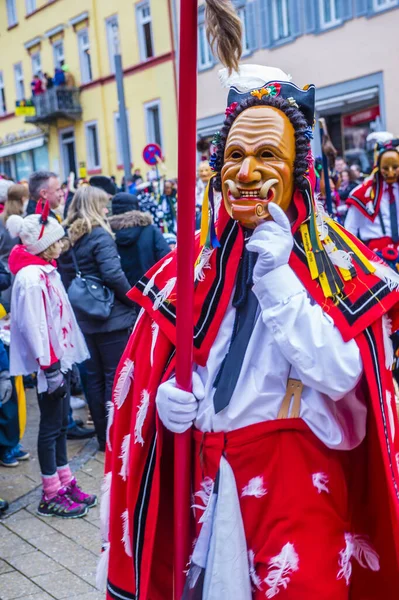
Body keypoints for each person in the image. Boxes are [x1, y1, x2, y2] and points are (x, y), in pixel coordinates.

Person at [102, 50, 399, 600]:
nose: (247, 172)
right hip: (210, 488)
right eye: (234, 154)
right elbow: (171, 366)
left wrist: (279, 280)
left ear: (300, 170)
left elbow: (341, 375)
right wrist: (171, 400)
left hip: (299, 490)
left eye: (267, 154)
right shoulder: (192, 267)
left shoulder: (341, 266)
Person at [6, 211, 95, 518]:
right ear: (44, 244)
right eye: (57, 240)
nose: (63, 244)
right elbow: (35, 326)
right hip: (49, 366)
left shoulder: (45, 269)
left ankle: (65, 481)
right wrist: (49, 367)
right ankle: (50, 492)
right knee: (49, 428)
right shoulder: (32, 278)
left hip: (58, 360)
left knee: (59, 425)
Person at [60, 187, 136, 451]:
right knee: (113, 377)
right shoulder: (99, 235)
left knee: (93, 378)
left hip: (82, 315)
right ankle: (115, 436)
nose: (107, 210)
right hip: (109, 317)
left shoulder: (68, 236)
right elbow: (113, 276)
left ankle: (103, 438)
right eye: (104, 205)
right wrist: (133, 299)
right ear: (94, 206)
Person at [345, 134, 399, 264]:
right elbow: (350, 230)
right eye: (386, 168)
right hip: (376, 258)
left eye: (395, 167)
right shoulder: (362, 194)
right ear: (378, 166)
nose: (391, 173)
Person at [109, 193, 170, 287]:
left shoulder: (107, 232)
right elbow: (166, 259)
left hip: (118, 293)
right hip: (148, 291)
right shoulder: (150, 230)